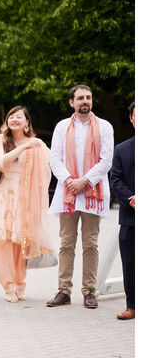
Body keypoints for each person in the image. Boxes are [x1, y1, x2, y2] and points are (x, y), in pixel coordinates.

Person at [46, 84, 114, 309]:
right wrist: (69, 181)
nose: (85, 101)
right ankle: (64, 290)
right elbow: (54, 158)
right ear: (71, 103)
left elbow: (106, 160)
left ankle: (89, 291)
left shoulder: (104, 127)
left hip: (93, 191)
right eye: (80, 98)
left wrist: (84, 181)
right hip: (68, 192)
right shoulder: (61, 126)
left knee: (90, 243)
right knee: (66, 243)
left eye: (88, 97)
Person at [0, 106, 52, 302]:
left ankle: (20, 283)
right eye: (11, 116)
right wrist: (22, 148)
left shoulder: (35, 143)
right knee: (4, 242)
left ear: (27, 122)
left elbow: (49, 165)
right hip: (3, 197)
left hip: (25, 198)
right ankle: (8, 286)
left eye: (19, 116)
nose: (14, 119)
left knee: (21, 242)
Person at [108, 101, 134, 320]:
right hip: (130, 217)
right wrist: (131, 198)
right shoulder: (122, 149)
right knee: (130, 264)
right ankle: (132, 305)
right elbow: (115, 180)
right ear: (132, 119)